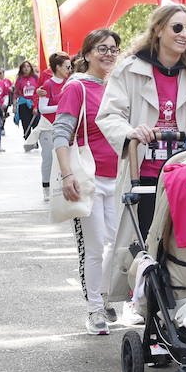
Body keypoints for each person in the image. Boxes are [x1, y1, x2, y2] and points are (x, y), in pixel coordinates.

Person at [97, 4, 186, 237]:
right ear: (158, 29)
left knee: (185, 244)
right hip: (144, 173)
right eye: (177, 27)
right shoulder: (129, 69)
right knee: (144, 243)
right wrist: (131, 132)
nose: (184, 34)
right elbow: (110, 114)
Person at [54, 29, 123, 335]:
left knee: (116, 247)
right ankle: (95, 307)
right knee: (95, 246)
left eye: (113, 49)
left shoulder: (119, 87)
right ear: (87, 54)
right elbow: (61, 133)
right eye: (101, 48)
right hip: (89, 178)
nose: (108, 54)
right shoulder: (76, 87)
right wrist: (68, 175)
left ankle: (105, 294)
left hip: (119, 179)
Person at [37, 53, 72, 198]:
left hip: (63, 127)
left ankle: (60, 186)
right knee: (48, 159)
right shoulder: (48, 85)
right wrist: (61, 107)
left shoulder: (70, 83)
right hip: (48, 128)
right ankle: (46, 186)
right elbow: (42, 108)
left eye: (70, 66)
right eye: (67, 67)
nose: (69, 69)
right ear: (57, 67)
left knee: (63, 159)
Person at [14, 60, 40, 141]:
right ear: (21, 69)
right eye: (24, 67)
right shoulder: (20, 79)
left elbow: (39, 91)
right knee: (26, 123)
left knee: (36, 123)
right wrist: (14, 106)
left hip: (34, 103)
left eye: (28, 66)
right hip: (23, 104)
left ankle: (35, 140)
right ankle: (28, 141)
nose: (26, 68)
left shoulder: (35, 78)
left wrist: (36, 106)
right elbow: (16, 93)